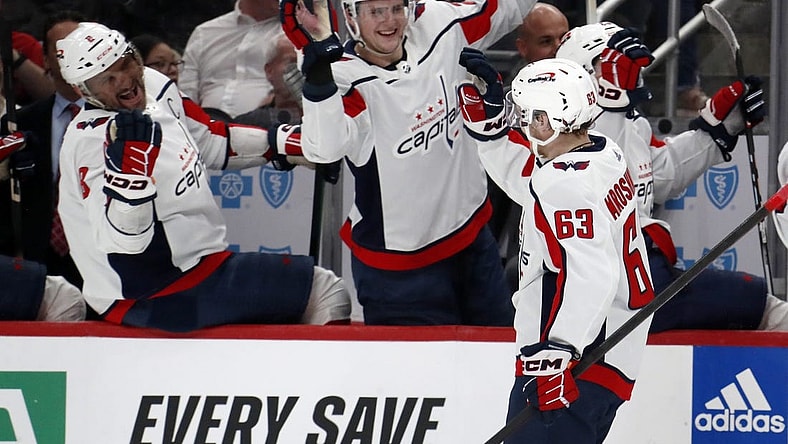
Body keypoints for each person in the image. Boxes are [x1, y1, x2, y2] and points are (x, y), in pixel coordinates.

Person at [55, 22, 350, 332]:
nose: (124, 81)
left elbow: (210, 139)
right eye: (107, 79)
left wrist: (289, 146)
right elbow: (123, 245)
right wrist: (130, 185)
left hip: (201, 268)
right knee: (324, 290)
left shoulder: (154, 84)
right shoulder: (90, 143)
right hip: (153, 293)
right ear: (82, 90)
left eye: (125, 64)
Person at [275, 0, 538, 325]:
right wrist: (317, 78)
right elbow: (325, 149)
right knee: (415, 375)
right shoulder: (342, 76)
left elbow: (510, 7)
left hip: (473, 245)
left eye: (397, 8)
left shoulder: (440, 24)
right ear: (351, 16)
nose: (390, 21)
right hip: (399, 273)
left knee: (500, 360)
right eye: (376, 12)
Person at [460, 53, 654, 442]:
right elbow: (534, 186)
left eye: (531, 116)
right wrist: (492, 132)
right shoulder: (603, 153)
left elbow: (591, 273)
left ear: (551, 120)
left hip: (576, 360)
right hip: (609, 355)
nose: (526, 125)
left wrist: (558, 354)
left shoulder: (565, 185)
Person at [555, 21, 788, 331]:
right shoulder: (560, 134)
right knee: (766, 309)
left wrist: (716, 130)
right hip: (607, 287)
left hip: (644, 279)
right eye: (617, 65)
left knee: (756, 306)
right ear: (590, 74)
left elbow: (658, 176)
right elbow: (591, 163)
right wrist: (610, 103)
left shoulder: (630, 124)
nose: (633, 78)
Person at [0, 11, 87, 291]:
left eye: (81, 46)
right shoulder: (19, 123)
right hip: (37, 260)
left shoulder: (120, 120)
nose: (73, 56)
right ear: (46, 60)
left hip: (101, 259)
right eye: (62, 49)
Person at [179, 0, 282, 119]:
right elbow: (186, 94)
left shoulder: (296, 34)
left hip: (269, 127)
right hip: (203, 129)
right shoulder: (204, 33)